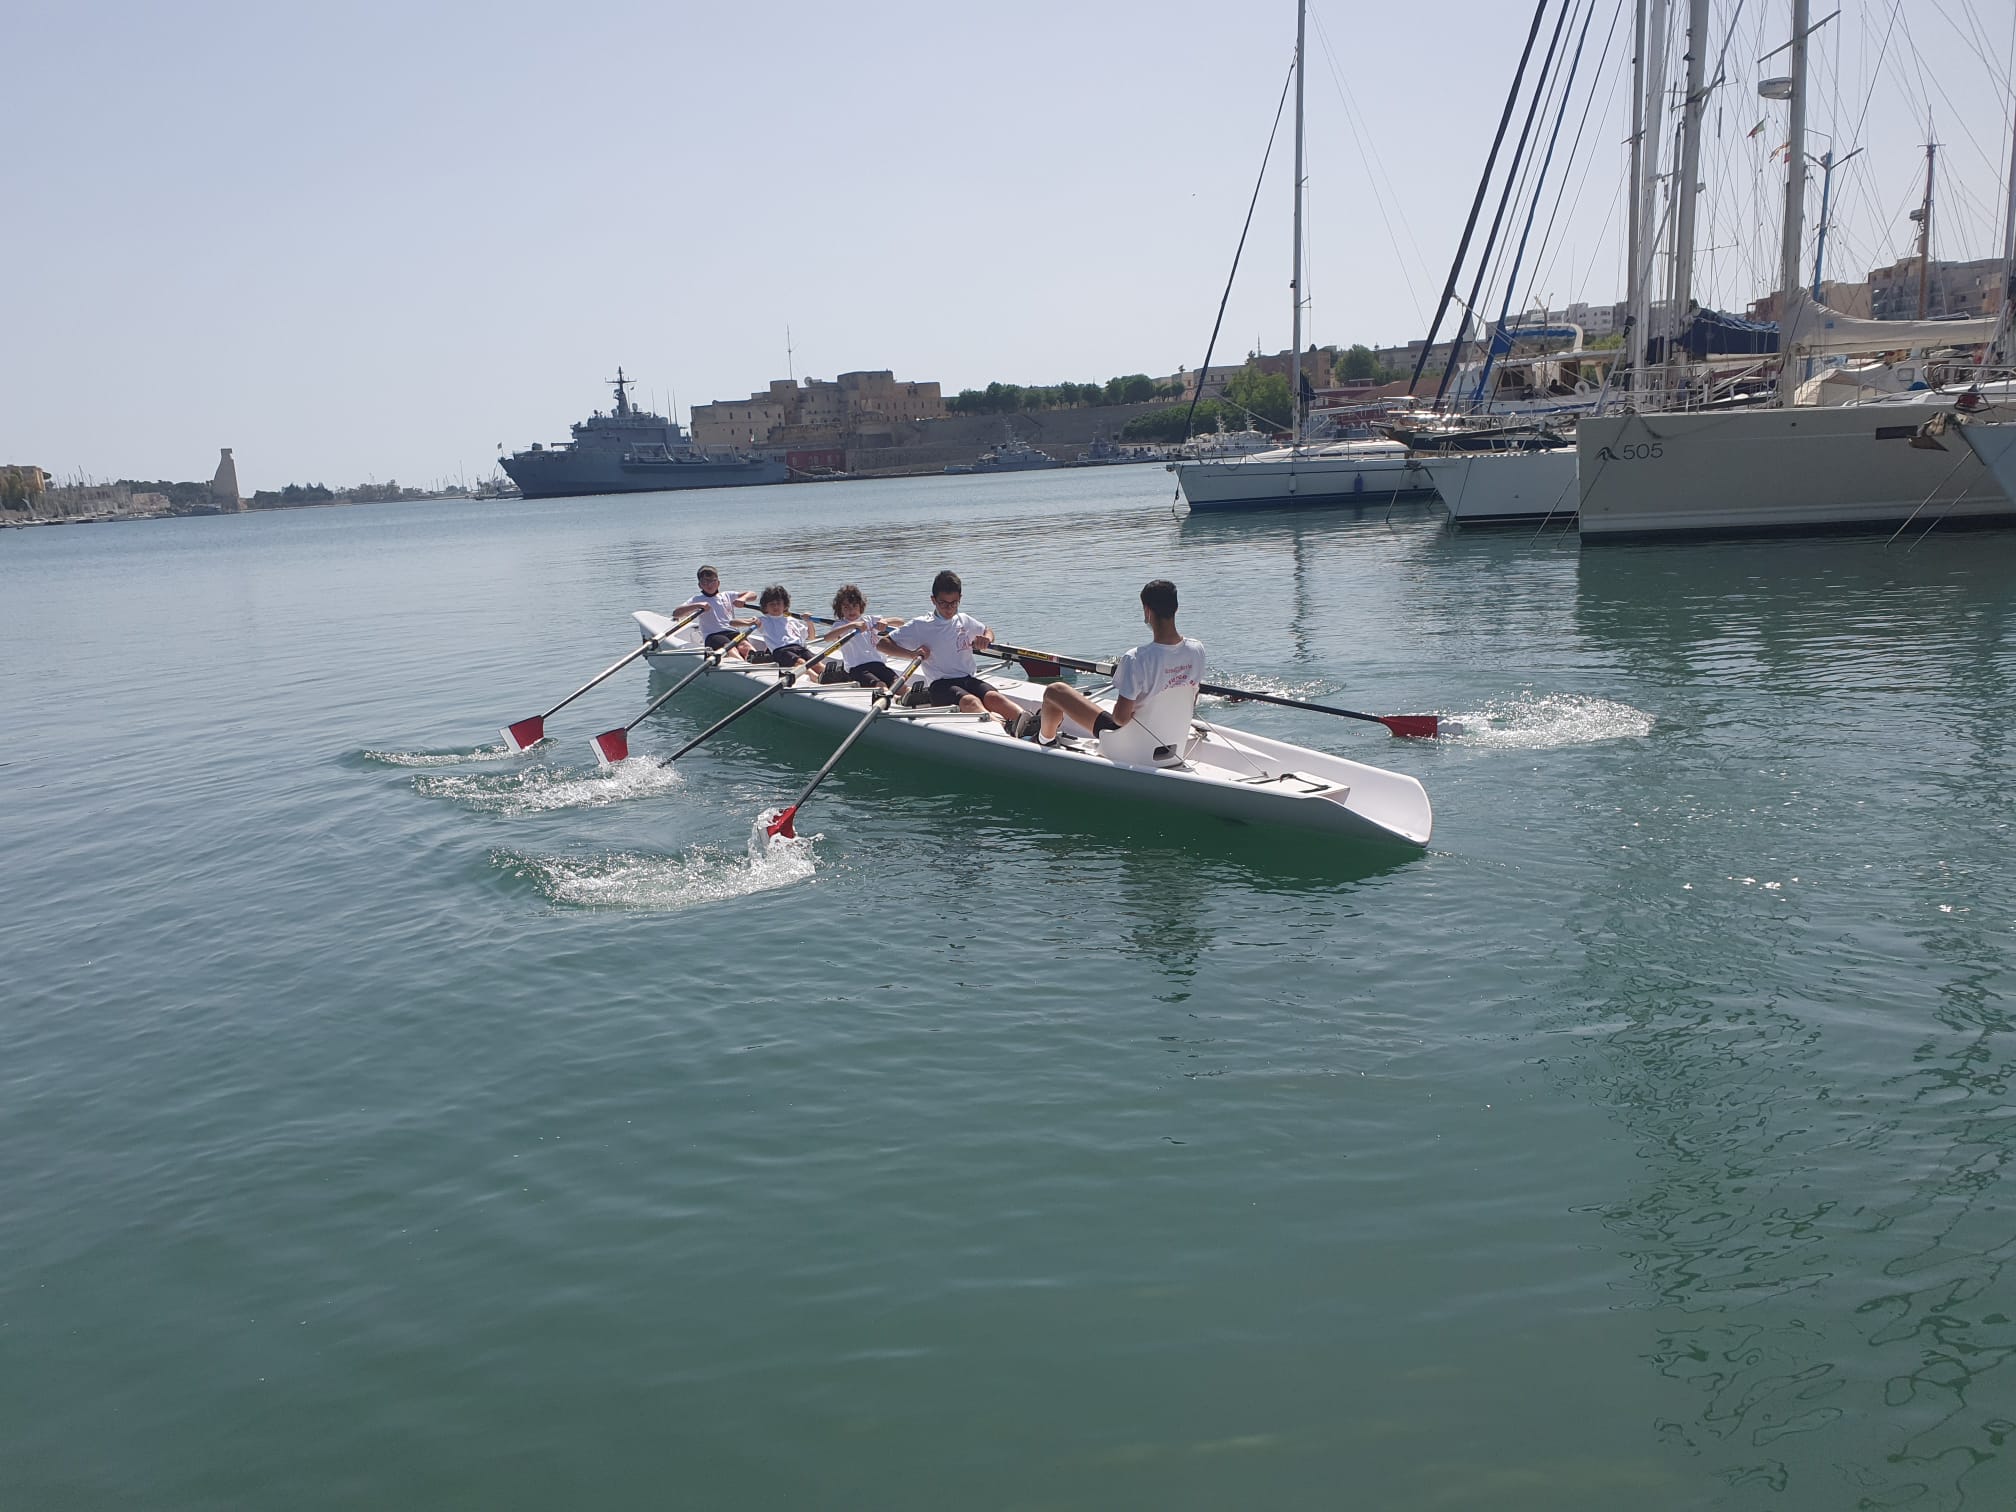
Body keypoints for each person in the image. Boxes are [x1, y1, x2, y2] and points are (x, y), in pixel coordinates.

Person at [1030, 579, 1205, 747]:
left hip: (1130, 743)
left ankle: (1045, 740)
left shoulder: (1136, 658)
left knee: (1055, 691)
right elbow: (1192, 698)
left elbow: (1120, 719)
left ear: (1147, 611)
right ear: (1176, 609)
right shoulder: (1196, 649)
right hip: (1173, 735)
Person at [881, 569, 1023, 725]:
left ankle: (1029, 724)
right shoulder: (920, 625)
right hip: (940, 686)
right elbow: (882, 644)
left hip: (968, 679)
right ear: (933, 600)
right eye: (943, 603)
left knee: (995, 698)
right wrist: (912, 654)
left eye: (954, 603)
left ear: (960, 599)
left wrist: (986, 639)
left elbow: (987, 630)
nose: (949, 608)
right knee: (971, 701)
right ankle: (1005, 730)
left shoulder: (964, 620)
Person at [825, 584, 903, 688]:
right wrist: (851, 625)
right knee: (880, 685)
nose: (851, 611)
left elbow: (900, 622)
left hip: (878, 664)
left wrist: (885, 621)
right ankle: (894, 698)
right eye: (846, 607)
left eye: (854, 606)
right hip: (857, 668)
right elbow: (827, 638)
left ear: (861, 607)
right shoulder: (840, 625)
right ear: (840, 609)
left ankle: (903, 697)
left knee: (899, 685)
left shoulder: (870, 620)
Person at [678, 565, 759, 654]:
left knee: (745, 645)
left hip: (732, 631)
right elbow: (677, 613)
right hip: (713, 636)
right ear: (700, 585)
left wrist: (743, 599)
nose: (709, 585)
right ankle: (744, 663)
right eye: (705, 582)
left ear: (718, 583)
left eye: (712, 581)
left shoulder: (728, 595)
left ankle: (756, 658)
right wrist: (697, 605)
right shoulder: (696, 600)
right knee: (729, 648)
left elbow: (753, 595)